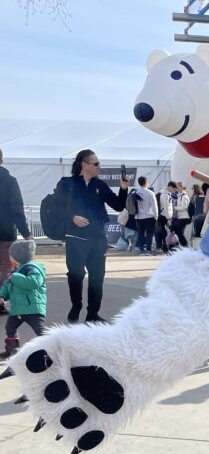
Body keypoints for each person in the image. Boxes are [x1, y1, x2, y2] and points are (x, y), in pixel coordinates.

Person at [60, 149, 128, 323]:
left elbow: (119, 206)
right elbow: (57, 208)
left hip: (97, 238)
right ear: (84, 165)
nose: (99, 167)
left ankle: (93, 314)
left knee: (97, 277)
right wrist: (72, 217)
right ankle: (76, 306)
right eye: (96, 164)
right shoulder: (67, 184)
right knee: (75, 274)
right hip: (75, 239)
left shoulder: (100, 185)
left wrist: (123, 189)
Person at [0, 239, 46, 358]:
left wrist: (15, 276)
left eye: (11, 256)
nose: (9, 258)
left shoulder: (33, 269)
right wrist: (2, 295)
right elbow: (7, 285)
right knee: (10, 327)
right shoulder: (16, 270)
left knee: (40, 330)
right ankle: (12, 350)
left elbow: (33, 283)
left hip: (32, 309)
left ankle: (51, 348)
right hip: (17, 309)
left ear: (18, 257)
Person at [0, 147, 33, 314]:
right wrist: (26, 233)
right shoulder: (10, 181)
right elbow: (17, 209)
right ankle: (1, 302)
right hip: (5, 231)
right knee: (5, 267)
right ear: (2, 160)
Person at [134, 175, 159, 253]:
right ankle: (148, 249)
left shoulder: (135, 192)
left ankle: (141, 249)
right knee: (149, 234)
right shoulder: (150, 193)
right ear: (146, 182)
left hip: (138, 217)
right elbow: (154, 206)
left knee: (140, 234)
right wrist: (156, 216)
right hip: (149, 216)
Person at [155, 180, 175, 253]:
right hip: (163, 215)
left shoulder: (167, 193)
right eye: (173, 189)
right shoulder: (164, 194)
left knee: (164, 232)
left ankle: (165, 246)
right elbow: (166, 207)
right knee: (164, 232)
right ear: (170, 187)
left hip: (165, 215)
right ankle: (165, 247)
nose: (173, 191)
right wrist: (168, 218)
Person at [171, 181, 191, 247]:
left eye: (177, 187)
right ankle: (185, 246)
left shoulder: (184, 196)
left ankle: (186, 247)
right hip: (181, 217)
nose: (176, 189)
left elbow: (184, 207)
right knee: (178, 232)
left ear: (180, 187)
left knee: (180, 233)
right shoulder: (180, 195)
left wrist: (174, 208)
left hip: (184, 217)